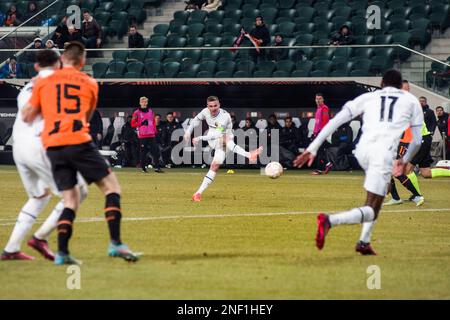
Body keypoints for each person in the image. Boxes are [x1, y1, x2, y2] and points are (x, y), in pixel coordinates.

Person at [22, 42, 139, 265]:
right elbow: (85, 117)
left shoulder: (43, 82)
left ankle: (62, 253)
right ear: (82, 62)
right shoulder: (90, 83)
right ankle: (115, 243)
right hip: (78, 141)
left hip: (53, 147)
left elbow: (28, 116)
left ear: (62, 60)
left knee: (70, 199)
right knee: (111, 187)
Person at [294, 69, 424, 255]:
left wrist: (312, 147)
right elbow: (417, 141)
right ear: (401, 86)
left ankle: (364, 242)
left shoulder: (369, 97)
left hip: (362, 150)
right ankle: (329, 221)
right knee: (373, 208)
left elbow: (337, 120)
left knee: (374, 198)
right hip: (383, 153)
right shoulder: (410, 100)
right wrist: (404, 160)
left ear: (381, 84)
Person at [2, 50, 88, 261]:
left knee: (39, 195)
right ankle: (40, 238)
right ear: (59, 64)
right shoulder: (60, 84)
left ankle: (11, 249)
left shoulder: (26, 89)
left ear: (37, 67)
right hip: (39, 146)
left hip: (19, 148)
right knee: (79, 191)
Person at [184, 96, 263, 201]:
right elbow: (195, 121)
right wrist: (188, 132)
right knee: (224, 138)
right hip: (214, 139)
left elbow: (218, 134)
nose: (213, 108)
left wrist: (200, 137)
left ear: (219, 105)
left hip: (224, 141)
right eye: (211, 106)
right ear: (207, 106)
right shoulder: (205, 111)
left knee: (215, 166)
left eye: (215, 105)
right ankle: (249, 155)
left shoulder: (224, 116)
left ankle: (198, 193)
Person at [131, 96, 163, 173]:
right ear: (140, 103)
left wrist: (155, 131)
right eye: (143, 101)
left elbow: (153, 122)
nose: (144, 103)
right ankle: (143, 168)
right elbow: (132, 124)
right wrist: (141, 123)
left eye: (145, 101)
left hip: (151, 135)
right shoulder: (137, 112)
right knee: (143, 152)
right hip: (142, 135)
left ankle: (157, 168)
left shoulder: (151, 111)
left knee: (155, 151)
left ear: (147, 102)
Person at [312, 93, 332, 175]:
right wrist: (314, 132)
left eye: (320, 98)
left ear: (323, 99)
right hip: (317, 133)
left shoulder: (324, 108)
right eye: (317, 99)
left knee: (319, 151)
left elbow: (325, 122)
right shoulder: (318, 109)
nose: (318, 100)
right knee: (320, 151)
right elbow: (317, 123)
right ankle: (327, 164)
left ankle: (321, 168)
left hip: (321, 133)